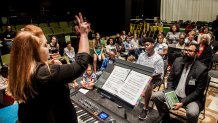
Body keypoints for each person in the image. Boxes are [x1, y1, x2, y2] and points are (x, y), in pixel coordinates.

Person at [7, 13, 91, 123]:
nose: (48, 48)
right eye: (45, 45)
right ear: (33, 52)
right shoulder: (46, 73)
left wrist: (48, 63)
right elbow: (81, 63)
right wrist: (84, 34)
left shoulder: (19, 70)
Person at [151, 43, 208, 123]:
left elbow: (198, 92)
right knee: (155, 96)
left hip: (191, 98)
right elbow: (170, 79)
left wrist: (182, 102)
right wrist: (170, 95)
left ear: (196, 53)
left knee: (192, 113)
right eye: (185, 50)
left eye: (190, 51)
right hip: (175, 93)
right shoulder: (178, 61)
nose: (186, 52)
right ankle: (165, 118)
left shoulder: (202, 69)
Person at [137, 37, 164, 120]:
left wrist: (147, 78)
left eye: (147, 45)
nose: (145, 47)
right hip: (143, 75)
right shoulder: (141, 55)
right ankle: (129, 100)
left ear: (153, 45)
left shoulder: (158, 58)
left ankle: (145, 108)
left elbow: (158, 73)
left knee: (148, 85)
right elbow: (137, 66)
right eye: (144, 45)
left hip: (155, 78)